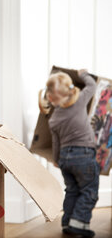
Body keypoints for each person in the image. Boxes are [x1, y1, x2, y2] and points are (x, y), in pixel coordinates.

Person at [39, 69, 100, 238]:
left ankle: (67, 222)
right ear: (71, 89)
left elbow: (55, 143)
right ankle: (79, 224)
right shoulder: (80, 101)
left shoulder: (54, 119)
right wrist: (83, 74)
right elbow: (92, 85)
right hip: (84, 155)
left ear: (50, 98)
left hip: (65, 158)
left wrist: (57, 160)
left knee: (72, 190)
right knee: (89, 190)